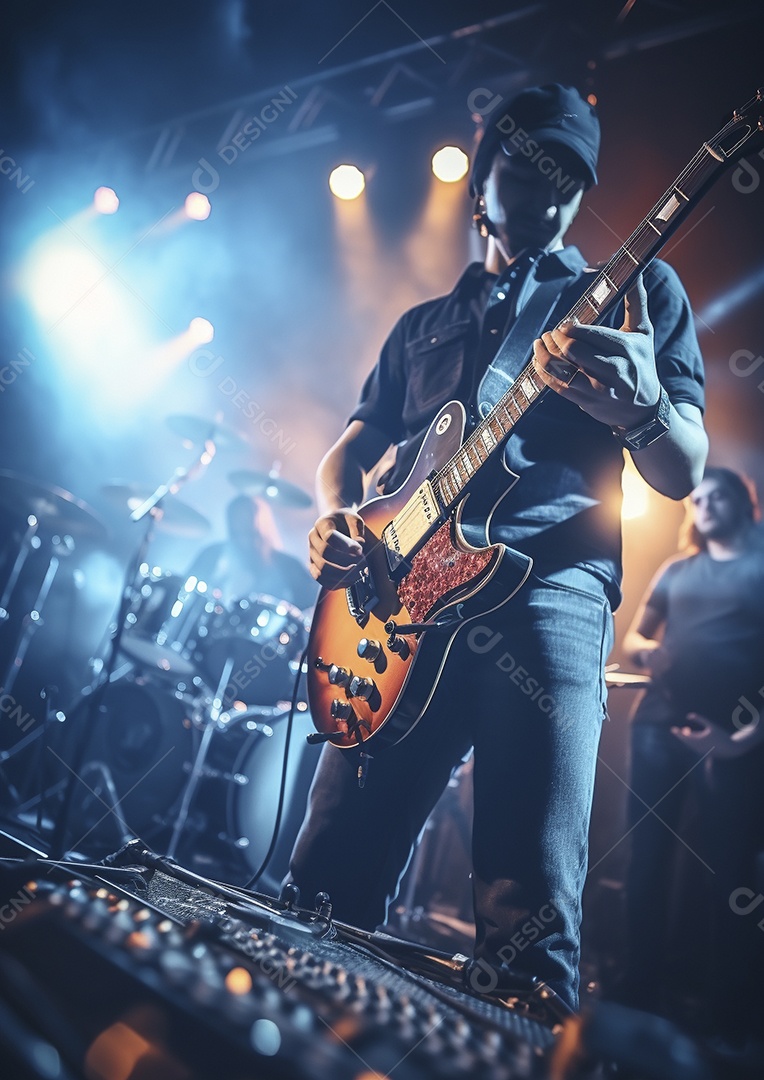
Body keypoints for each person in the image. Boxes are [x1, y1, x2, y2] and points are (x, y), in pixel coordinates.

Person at [289, 83, 707, 1013]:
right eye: (527, 170)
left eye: (569, 180)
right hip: (398, 606)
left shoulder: (633, 294)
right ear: (482, 179)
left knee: (524, 914)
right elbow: (356, 444)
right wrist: (338, 515)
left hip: (549, 589)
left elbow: (681, 469)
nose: (547, 197)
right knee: (326, 873)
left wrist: (639, 408)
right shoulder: (423, 326)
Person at [621, 468, 764, 1037]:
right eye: (697, 498)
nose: (703, 504)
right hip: (656, 727)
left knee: (730, 879)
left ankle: (722, 1017)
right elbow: (632, 639)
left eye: (717, 495)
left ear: (742, 504)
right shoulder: (675, 569)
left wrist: (738, 742)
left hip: (732, 743)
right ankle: (638, 994)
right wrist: (649, 653)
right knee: (646, 862)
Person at [191, 493, 316, 611]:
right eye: (239, 519)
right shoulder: (212, 555)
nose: (244, 525)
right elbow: (189, 590)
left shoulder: (289, 566)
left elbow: (310, 601)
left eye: (249, 516)